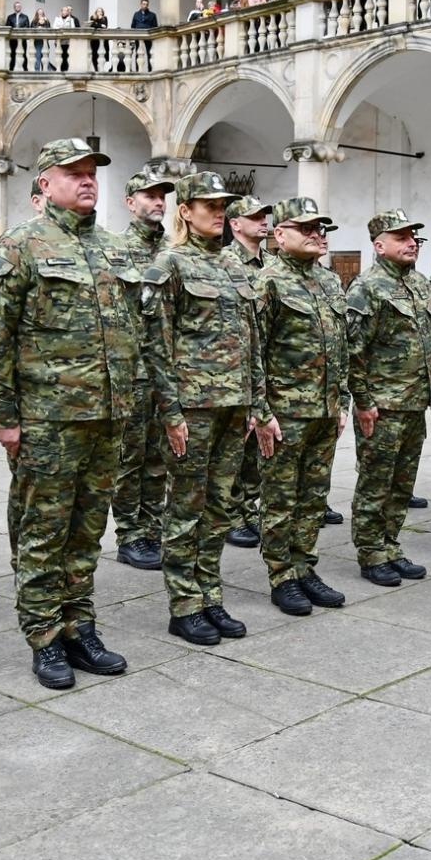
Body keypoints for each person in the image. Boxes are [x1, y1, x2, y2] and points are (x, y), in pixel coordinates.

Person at [0, 138, 136, 689]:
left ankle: (78, 624)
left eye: (92, 172)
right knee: (42, 531)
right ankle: (44, 634)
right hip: (48, 419)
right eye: (74, 173)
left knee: (88, 531)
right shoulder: (21, 245)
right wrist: (6, 417)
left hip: (106, 418)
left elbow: (131, 331)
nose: (88, 180)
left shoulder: (113, 248)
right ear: (45, 184)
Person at [142, 172, 269, 646]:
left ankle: (210, 594)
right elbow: (156, 344)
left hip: (234, 406)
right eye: (209, 205)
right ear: (185, 211)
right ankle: (184, 605)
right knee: (186, 508)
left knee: (219, 508)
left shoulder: (235, 266)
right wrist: (170, 412)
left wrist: (257, 402)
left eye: (223, 206)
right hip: (193, 408)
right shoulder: (170, 263)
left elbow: (251, 341)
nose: (219, 212)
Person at [256, 197, 350, 616]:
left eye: (320, 228)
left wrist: (342, 399)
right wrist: (261, 411)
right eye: (306, 228)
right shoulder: (268, 282)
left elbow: (341, 347)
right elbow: (254, 350)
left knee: (313, 496)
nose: (316, 235)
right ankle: (282, 576)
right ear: (280, 235)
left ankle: (304, 566)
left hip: (324, 410)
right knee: (281, 497)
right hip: (286, 413)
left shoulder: (329, 281)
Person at [347, 210, 431, 587]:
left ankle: (391, 544)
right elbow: (354, 351)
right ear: (380, 246)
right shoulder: (366, 287)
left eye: (413, 237)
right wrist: (364, 402)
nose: (411, 242)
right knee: (375, 482)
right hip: (382, 406)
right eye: (401, 237)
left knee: (402, 483)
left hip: (414, 402)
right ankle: (371, 553)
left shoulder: (421, 284)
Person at [112, 167, 177, 572]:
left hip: (169, 373)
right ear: (129, 202)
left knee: (160, 458)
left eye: (161, 196)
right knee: (130, 457)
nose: (157, 202)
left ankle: (152, 530)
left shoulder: (175, 250)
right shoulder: (116, 251)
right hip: (132, 373)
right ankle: (129, 534)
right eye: (149, 195)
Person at [220, 195, 275, 550]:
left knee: (259, 447)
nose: (263, 221)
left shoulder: (272, 263)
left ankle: (249, 507)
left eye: (264, 216)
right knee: (236, 447)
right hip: (238, 368)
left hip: (268, 365)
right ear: (235, 224)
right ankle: (231, 514)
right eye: (254, 217)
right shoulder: (226, 262)